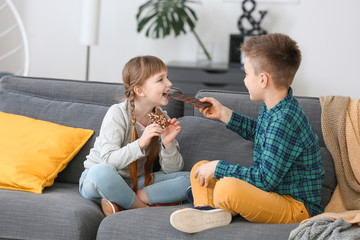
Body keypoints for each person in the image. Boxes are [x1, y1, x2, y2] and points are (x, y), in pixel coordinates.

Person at [170, 33, 325, 233]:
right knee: (200, 168)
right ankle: (208, 211)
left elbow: (264, 180)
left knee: (227, 188)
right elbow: (261, 134)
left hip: (296, 207)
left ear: (262, 80)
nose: (244, 80)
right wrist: (224, 114)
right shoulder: (273, 107)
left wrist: (219, 168)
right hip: (271, 193)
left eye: (246, 73)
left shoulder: (284, 120)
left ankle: (212, 207)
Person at [79, 55, 190, 216]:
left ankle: (121, 201)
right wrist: (141, 143)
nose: (169, 84)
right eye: (160, 80)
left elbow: (172, 170)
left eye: (167, 77)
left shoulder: (161, 118)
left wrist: (168, 144)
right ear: (139, 90)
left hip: (135, 183)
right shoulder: (117, 114)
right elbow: (108, 161)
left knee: (191, 179)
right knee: (100, 171)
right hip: (100, 180)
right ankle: (141, 209)